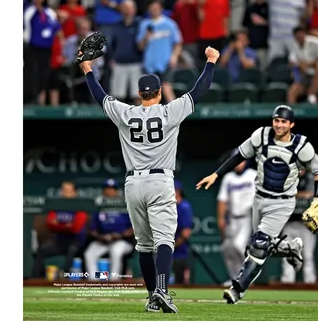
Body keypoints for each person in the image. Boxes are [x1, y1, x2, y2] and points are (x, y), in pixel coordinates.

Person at [78, 39, 220, 313]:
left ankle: (152, 298)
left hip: (133, 184)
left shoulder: (126, 113)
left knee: (143, 244)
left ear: (139, 93)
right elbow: (199, 90)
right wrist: (211, 62)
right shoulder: (169, 111)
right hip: (160, 181)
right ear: (157, 92)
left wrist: (87, 69)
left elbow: (99, 96)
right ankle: (162, 291)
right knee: (164, 238)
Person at [196, 105, 318, 304]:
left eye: (284, 121)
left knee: (259, 245)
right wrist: (216, 174)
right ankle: (290, 248)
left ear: (291, 124)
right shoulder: (262, 136)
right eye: (276, 120)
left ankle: (237, 289)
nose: (279, 124)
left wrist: (317, 198)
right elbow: (239, 155)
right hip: (259, 198)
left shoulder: (301, 146)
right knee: (256, 247)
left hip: (282, 203)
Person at [32, 181, 87, 277]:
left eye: (68, 191)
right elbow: (50, 223)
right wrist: (66, 226)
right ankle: (35, 279)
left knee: (72, 250)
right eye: (63, 190)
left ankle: (64, 277)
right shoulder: (57, 204)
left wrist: (59, 225)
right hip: (58, 240)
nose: (64, 193)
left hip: (75, 241)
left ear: (74, 193)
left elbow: (76, 228)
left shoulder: (80, 205)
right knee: (42, 250)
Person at [216, 158, 256, 286]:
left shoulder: (253, 175)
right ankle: (235, 279)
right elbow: (222, 200)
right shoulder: (228, 178)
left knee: (239, 246)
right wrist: (221, 218)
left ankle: (246, 278)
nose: (238, 164)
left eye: (240, 161)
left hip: (247, 217)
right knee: (227, 248)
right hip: (231, 218)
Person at [84, 179, 134, 281]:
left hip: (122, 241)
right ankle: (94, 280)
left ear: (116, 191)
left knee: (115, 251)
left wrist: (119, 236)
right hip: (104, 240)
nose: (110, 191)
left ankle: (113, 281)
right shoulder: (99, 207)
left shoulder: (124, 205)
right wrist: (100, 237)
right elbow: (92, 228)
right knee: (89, 253)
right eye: (107, 189)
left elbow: (135, 228)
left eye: (112, 189)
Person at [136, 0, 182, 104]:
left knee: (166, 87)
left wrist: (174, 56)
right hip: (150, 63)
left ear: (161, 7)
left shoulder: (170, 24)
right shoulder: (144, 25)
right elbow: (140, 47)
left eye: (156, 6)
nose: (154, 9)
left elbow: (178, 43)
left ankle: (175, 116)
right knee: (148, 91)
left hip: (166, 62)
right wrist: (146, 37)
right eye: (152, 7)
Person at [287, 26, 318, 104]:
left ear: (305, 34)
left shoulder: (315, 42)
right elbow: (292, 62)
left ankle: (312, 98)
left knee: (313, 89)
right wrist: (301, 64)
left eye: (301, 34)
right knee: (292, 91)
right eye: (297, 36)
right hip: (305, 76)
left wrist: (309, 64)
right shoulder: (294, 46)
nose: (300, 37)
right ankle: (290, 114)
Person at [173, 180, 193, 285]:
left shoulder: (184, 207)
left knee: (179, 284)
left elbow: (186, 233)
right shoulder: (169, 207)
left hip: (180, 253)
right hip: (168, 252)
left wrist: (172, 246)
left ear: (178, 191)